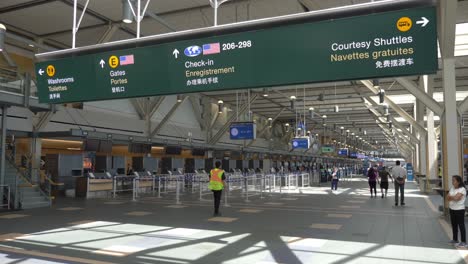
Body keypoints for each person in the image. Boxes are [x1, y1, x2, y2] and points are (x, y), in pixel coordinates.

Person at [448, 175, 467, 247]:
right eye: (452, 180)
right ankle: (455, 239)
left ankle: (463, 241)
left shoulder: (462, 189)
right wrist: (454, 197)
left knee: (461, 225)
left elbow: (457, 198)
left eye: (454, 180)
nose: (452, 182)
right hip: (452, 209)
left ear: (458, 182)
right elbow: (447, 198)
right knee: (454, 225)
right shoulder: (452, 188)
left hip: (459, 210)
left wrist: (451, 197)